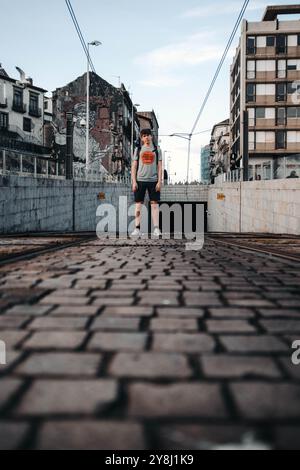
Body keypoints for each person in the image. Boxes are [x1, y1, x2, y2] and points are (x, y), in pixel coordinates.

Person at [131, 129, 163, 238]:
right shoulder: (138, 149)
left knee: (154, 205)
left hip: (153, 181)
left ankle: (156, 229)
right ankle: (137, 229)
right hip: (140, 180)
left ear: (151, 136)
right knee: (138, 206)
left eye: (148, 135)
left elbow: (160, 167)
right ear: (141, 138)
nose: (147, 137)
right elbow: (134, 166)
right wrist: (134, 181)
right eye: (144, 136)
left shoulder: (157, 150)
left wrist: (159, 181)